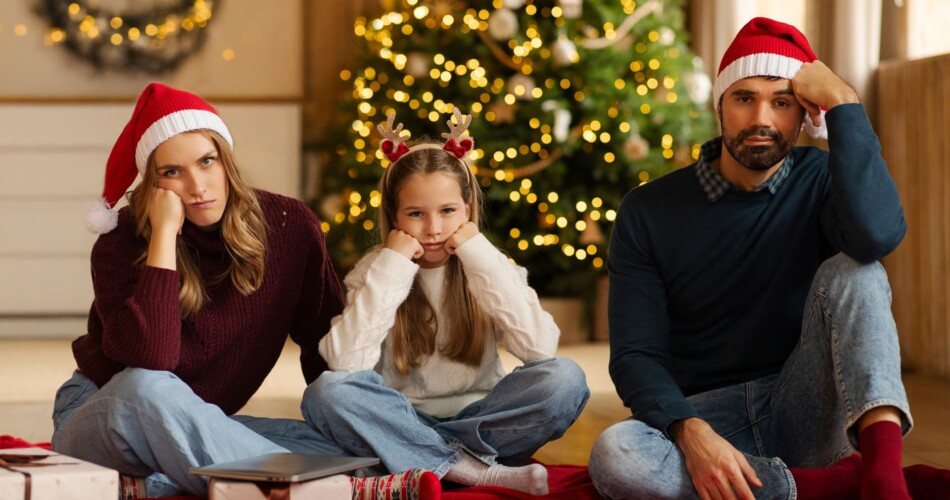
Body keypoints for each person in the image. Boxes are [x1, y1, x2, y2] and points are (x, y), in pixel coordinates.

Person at [588, 17, 949, 500]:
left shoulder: (821, 177)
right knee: (617, 455)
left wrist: (844, 102)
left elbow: (876, 236)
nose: (762, 118)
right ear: (720, 106)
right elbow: (635, 356)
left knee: (855, 269)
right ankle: (839, 483)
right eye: (744, 98)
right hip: (705, 416)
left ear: (804, 115)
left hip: (803, 404)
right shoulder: (648, 210)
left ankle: (884, 478)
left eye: (781, 102)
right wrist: (690, 432)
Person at [50, 83, 439, 498]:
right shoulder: (120, 241)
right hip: (104, 416)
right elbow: (153, 357)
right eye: (172, 172)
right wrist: (164, 234)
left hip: (198, 425)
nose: (197, 186)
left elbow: (325, 348)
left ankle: (156, 484)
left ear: (225, 160)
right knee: (144, 387)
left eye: (206, 161)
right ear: (152, 182)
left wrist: (365, 421)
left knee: (345, 448)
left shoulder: (289, 226)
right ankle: (333, 490)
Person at [301, 109, 591, 496]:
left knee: (566, 379)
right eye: (416, 214)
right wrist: (393, 264)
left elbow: (540, 348)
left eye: (448, 211)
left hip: (480, 422)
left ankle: (420, 461)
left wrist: (477, 253)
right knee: (325, 394)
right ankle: (472, 471)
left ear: (468, 209)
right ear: (394, 215)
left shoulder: (487, 263)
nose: (434, 228)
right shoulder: (377, 269)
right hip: (399, 419)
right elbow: (346, 363)